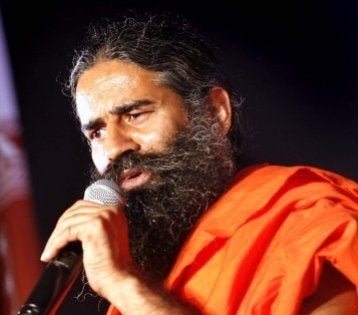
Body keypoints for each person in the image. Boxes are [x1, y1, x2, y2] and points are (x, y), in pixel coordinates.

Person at [40, 14, 358, 314]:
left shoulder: (306, 222)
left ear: (215, 112)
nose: (113, 148)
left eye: (135, 115)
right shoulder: (138, 286)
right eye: (96, 132)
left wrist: (124, 286)